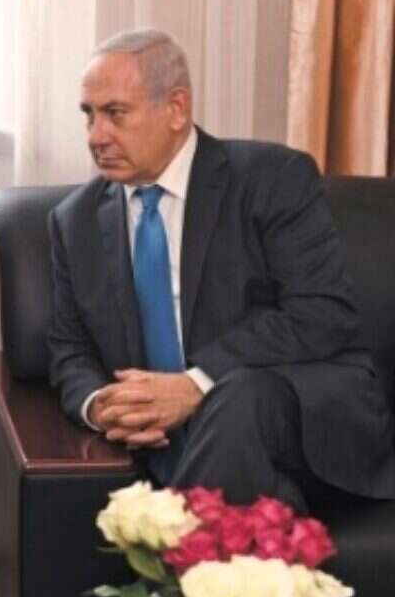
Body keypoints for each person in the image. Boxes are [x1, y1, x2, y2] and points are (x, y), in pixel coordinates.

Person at [48, 28, 395, 511]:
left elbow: (321, 313)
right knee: (263, 490)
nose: (95, 136)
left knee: (238, 399)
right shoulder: (75, 221)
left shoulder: (273, 178)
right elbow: (69, 348)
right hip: (183, 448)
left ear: (176, 108)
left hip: (295, 420)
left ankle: (175, 546)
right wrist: (103, 405)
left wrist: (196, 384)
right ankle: (256, 531)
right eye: (88, 114)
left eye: (115, 113)